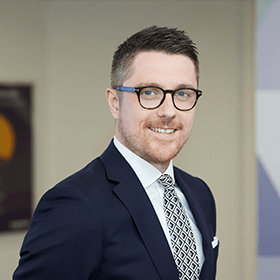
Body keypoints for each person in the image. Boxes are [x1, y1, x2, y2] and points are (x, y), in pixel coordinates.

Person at [13, 25, 219, 280]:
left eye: (183, 93)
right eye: (150, 92)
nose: (168, 111)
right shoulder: (74, 206)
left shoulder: (200, 195)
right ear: (114, 102)